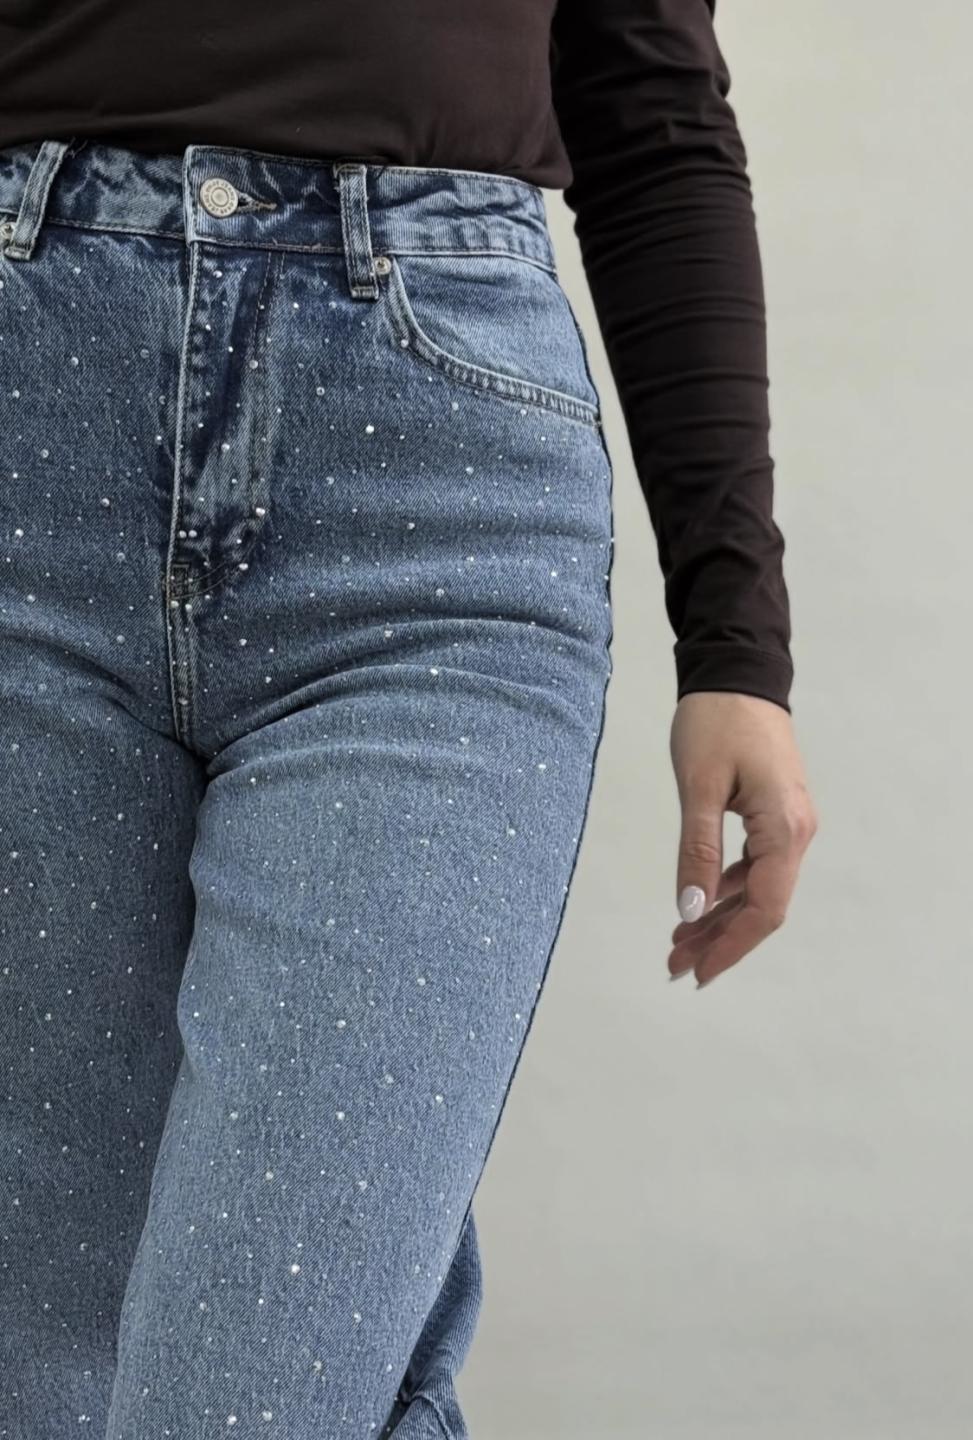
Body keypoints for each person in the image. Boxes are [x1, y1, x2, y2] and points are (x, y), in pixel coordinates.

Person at [0, 0, 818, 1435]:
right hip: (25, 445)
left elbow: (653, 129)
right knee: (45, 1363)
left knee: (257, 1388)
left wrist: (735, 645)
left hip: (432, 518)